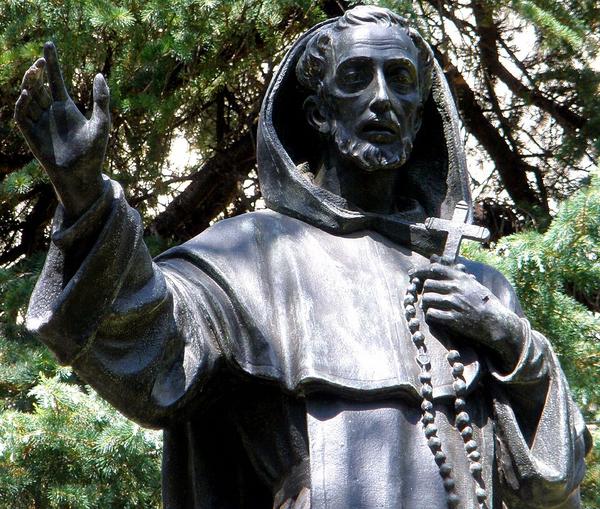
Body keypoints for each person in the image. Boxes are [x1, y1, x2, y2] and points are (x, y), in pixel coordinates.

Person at [16, 6, 589, 509]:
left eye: (400, 79)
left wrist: (514, 345)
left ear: (419, 116)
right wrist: (85, 196)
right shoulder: (252, 255)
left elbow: (549, 489)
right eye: (357, 77)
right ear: (318, 112)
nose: (382, 97)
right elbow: (152, 350)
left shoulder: (477, 289)